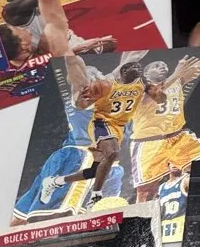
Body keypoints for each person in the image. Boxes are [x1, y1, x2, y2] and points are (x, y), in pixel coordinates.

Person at [40, 51, 153, 209]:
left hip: (108, 135)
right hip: (83, 147)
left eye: (101, 73)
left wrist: (132, 56)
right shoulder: (83, 90)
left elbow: (122, 69)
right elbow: (74, 64)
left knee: (95, 171)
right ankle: (95, 196)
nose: (102, 75)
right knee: (112, 154)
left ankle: (55, 181)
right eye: (96, 74)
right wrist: (73, 50)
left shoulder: (108, 85)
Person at [129, 48, 200, 203]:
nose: (162, 66)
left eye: (163, 65)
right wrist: (177, 74)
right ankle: (142, 217)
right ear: (147, 73)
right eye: (157, 65)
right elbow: (156, 95)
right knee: (146, 192)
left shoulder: (177, 80)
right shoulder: (140, 87)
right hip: (149, 143)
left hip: (178, 137)